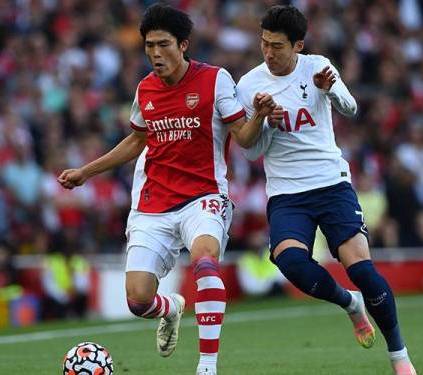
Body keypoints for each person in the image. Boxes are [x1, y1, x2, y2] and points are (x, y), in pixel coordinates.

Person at [57, 4, 276, 374]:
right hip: (153, 204)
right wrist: (86, 171)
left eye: (163, 44)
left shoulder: (215, 80)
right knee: (138, 301)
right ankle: (171, 308)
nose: (155, 53)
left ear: (184, 44)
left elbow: (243, 136)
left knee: (205, 262)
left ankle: (207, 365)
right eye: (148, 46)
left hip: (203, 196)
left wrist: (260, 116)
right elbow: (135, 141)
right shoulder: (145, 89)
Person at [236, 6, 416, 375]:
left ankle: (400, 356)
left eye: (278, 46)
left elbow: (350, 109)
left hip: (331, 184)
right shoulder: (249, 85)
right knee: (290, 262)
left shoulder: (317, 66)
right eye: (264, 44)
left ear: (298, 45)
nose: (268, 53)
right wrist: (262, 120)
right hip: (287, 193)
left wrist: (331, 90)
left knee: (363, 272)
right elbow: (251, 149)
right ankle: (349, 304)